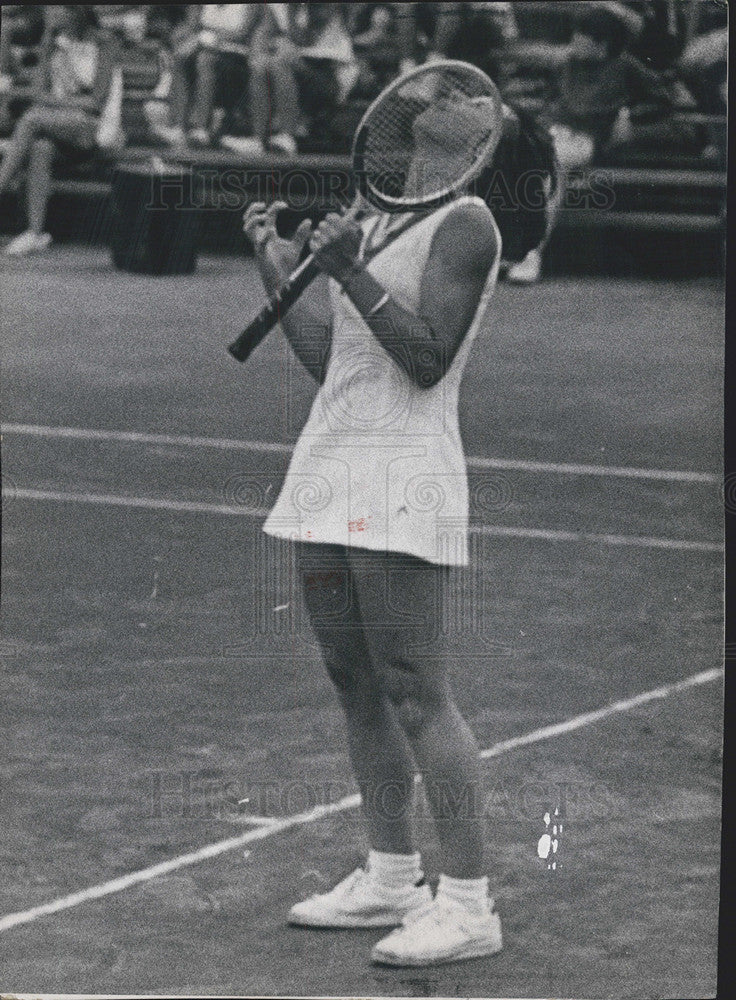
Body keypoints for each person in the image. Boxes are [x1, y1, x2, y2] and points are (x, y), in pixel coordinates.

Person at [242, 74, 506, 967]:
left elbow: (427, 359)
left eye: (456, 93)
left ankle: (468, 903)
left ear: (477, 135)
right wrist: (283, 268)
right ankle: (393, 878)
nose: (435, 93)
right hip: (329, 464)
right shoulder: (379, 213)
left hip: (405, 474)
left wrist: (349, 268)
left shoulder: (466, 224)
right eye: (426, 89)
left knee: (415, 688)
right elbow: (330, 361)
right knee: (355, 681)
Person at [0, 6, 122, 257]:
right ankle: (35, 233)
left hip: (97, 127)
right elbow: (36, 94)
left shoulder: (105, 43)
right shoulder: (54, 43)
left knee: (32, 120)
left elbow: (97, 101)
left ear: (75, 11)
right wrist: (46, 44)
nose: (49, 12)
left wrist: (55, 104)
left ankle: (1, 182)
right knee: (40, 148)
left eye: (57, 7)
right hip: (60, 125)